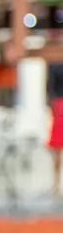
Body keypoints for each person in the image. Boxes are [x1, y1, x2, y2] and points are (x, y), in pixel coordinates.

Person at [48, 62, 63, 195]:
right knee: (57, 150)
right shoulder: (54, 65)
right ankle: (56, 183)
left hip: (58, 105)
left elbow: (50, 87)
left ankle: (56, 183)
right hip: (58, 105)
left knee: (57, 150)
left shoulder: (54, 66)